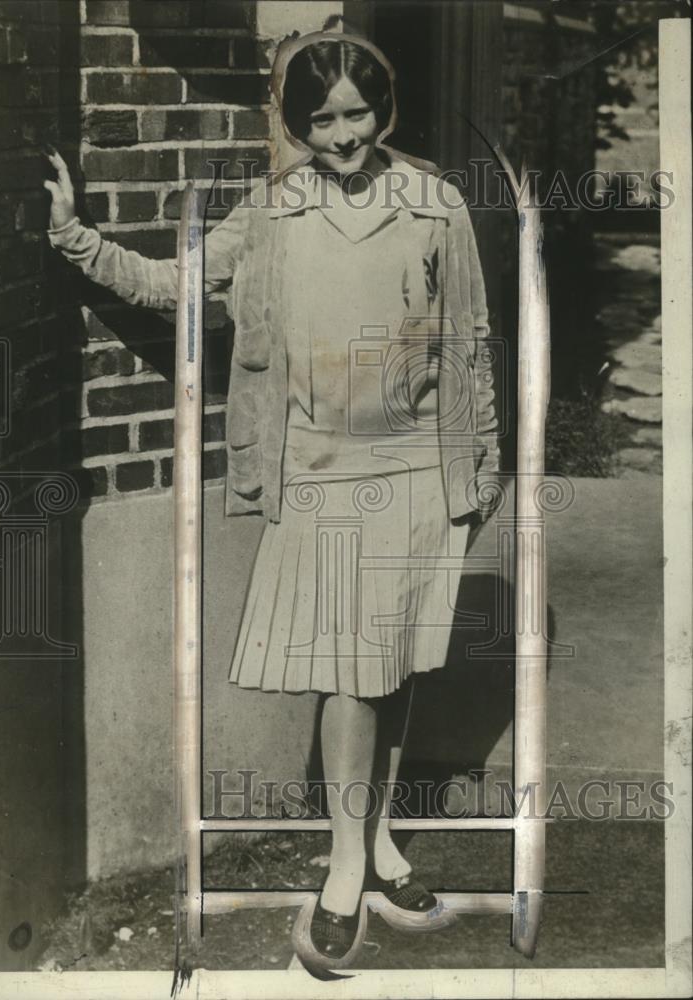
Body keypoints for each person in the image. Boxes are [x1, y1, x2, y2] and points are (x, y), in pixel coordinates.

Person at [44, 29, 499, 972]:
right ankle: (344, 866)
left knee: (396, 665)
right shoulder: (273, 212)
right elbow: (175, 284)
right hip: (322, 475)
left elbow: (471, 339)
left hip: (418, 469)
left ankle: (378, 842)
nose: (346, 135)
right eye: (323, 119)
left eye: (360, 113)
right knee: (351, 673)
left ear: (387, 108)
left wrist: (480, 464)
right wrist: (73, 235)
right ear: (297, 124)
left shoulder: (436, 204)